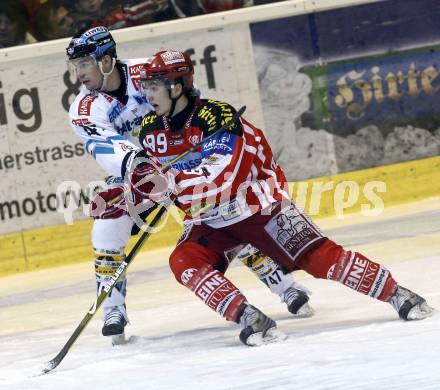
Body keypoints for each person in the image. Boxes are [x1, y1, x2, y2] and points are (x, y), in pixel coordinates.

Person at [126, 50, 434, 346]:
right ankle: (248, 317)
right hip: (210, 219)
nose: (147, 94)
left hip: (258, 206)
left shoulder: (217, 116)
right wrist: (137, 197)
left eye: (153, 86)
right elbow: (156, 179)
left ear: (176, 86)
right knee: (184, 261)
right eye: (146, 86)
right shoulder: (151, 130)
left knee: (320, 260)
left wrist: (166, 183)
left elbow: (219, 179)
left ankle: (398, 294)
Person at [66, 27, 314, 344]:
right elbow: (106, 148)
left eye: (84, 64)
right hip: (138, 175)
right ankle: (113, 309)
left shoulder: (148, 72)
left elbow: (190, 102)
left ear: (105, 60)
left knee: (224, 216)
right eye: (75, 67)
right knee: (106, 224)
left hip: (183, 162)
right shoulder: (84, 109)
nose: (78, 74)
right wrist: (141, 168)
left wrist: (199, 143)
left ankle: (283, 284)